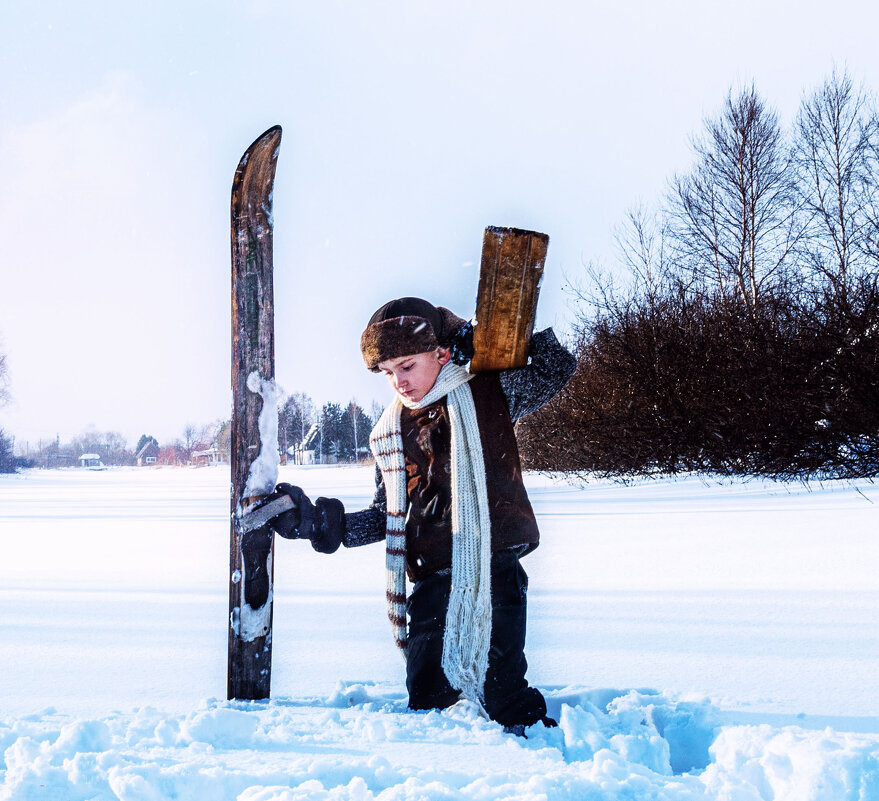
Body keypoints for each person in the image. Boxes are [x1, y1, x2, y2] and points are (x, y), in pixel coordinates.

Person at [263, 297, 576, 733]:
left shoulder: (487, 394)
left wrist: (481, 343)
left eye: (407, 366)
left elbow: (555, 367)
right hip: (429, 580)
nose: (399, 382)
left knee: (504, 693)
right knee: (428, 700)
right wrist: (319, 523)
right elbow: (386, 515)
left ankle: (540, 764)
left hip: (494, 570)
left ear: (442, 353)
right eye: (388, 372)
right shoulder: (391, 432)